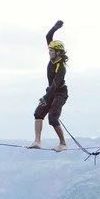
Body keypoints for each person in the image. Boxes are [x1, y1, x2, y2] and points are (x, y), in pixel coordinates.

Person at [27, 20, 69, 152]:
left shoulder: (61, 67)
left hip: (60, 93)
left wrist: (46, 98)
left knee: (52, 118)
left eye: (52, 51)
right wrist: (55, 28)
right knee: (38, 113)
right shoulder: (52, 58)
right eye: (49, 50)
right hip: (50, 91)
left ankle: (62, 144)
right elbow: (48, 37)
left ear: (58, 53)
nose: (49, 52)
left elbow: (55, 85)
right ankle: (37, 141)